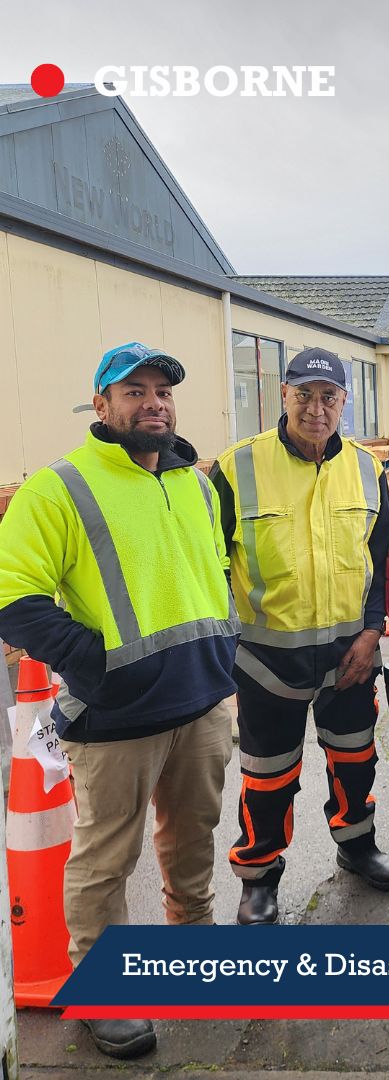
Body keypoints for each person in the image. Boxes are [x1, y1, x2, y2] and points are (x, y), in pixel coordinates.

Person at [0, 342, 240, 1059]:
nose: (153, 401)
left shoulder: (196, 484)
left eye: (163, 390)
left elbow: (208, 578)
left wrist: (222, 663)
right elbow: (14, 596)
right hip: (116, 718)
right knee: (106, 860)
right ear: (100, 406)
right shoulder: (61, 487)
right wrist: (97, 665)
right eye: (133, 390)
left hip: (201, 702)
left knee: (193, 837)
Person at [210, 347, 389, 927]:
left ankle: (357, 846)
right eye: (305, 395)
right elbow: (209, 565)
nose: (316, 408)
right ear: (284, 396)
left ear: (344, 402)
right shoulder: (236, 468)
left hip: (351, 657)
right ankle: (259, 876)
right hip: (268, 663)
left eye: (328, 397)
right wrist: (231, 648)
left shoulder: (368, 470)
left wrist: (374, 633)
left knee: (355, 760)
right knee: (268, 776)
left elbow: (384, 559)